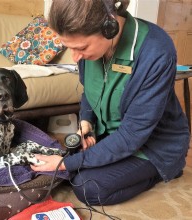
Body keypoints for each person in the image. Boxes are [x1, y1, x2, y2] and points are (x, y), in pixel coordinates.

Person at [31, 0, 190, 205]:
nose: (75, 57)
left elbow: (132, 135)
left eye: (81, 48)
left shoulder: (157, 50)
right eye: (69, 47)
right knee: (71, 171)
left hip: (154, 146)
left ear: (109, 27)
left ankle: (167, 169)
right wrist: (86, 122)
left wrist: (64, 164)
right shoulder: (87, 51)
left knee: (87, 187)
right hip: (115, 137)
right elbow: (89, 91)